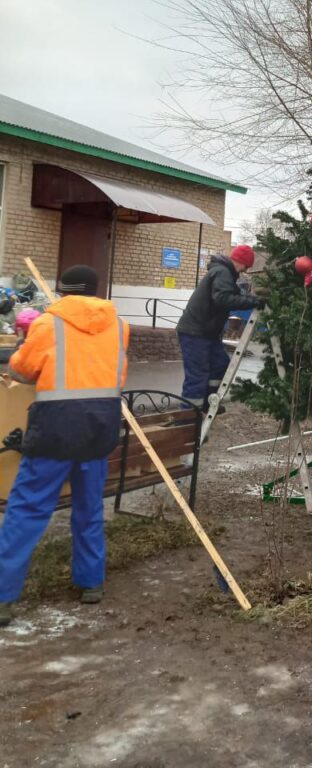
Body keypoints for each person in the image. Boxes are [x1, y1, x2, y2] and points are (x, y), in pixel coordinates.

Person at [0, 265, 129, 627]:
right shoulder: (119, 325)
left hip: (55, 429)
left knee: (26, 511)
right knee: (88, 508)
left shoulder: (47, 324)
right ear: (96, 289)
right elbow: (116, 375)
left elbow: (23, 371)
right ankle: (91, 583)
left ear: (62, 290)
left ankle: (3, 596)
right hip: (100, 427)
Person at [176, 245, 265, 411]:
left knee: (220, 364)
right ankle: (187, 421)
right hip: (195, 333)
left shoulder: (226, 274)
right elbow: (223, 298)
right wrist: (253, 302)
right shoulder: (222, 272)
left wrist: (253, 298)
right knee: (197, 376)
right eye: (246, 266)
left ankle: (208, 402)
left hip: (206, 333)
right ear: (239, 261)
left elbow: (235, 295)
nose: (245, 270)